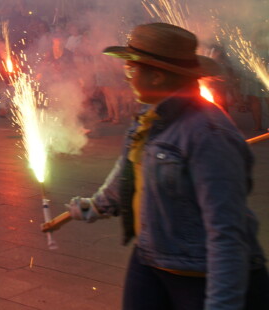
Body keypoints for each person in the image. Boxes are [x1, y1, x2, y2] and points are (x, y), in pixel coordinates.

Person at [62, 23, 268, 309]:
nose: (128, 77)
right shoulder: (151, 115)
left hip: (200, 272)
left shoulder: (209, 134)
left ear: (157, 76)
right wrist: (97, 205)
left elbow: (227, 233)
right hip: (152, 256)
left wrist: (223, 304)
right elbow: (132, 167)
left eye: (132, 70)